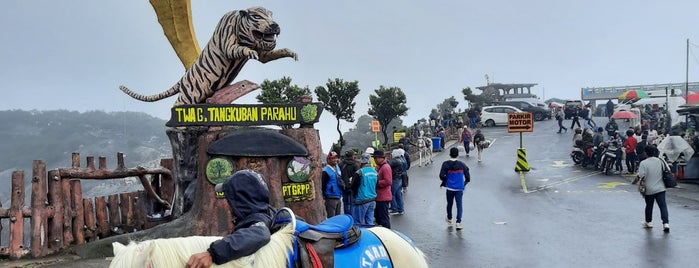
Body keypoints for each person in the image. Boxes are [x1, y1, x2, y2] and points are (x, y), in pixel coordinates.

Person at [186, 170, 275, 268]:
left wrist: (212, 254)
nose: (226, 203)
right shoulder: (268, 212)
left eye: (229, 198)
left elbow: (261, 233)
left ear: (240, 200)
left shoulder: (259, 219)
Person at [634, 145, 670, 231]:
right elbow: (667, 169)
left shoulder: (643, 163)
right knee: (663, 206)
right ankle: (666, 223)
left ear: (646, 153)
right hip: (661, 188)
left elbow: (641, 175)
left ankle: (648, 222)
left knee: (649, 205)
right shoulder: (660, 161)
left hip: (649, 189)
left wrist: (635, 181)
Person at [439, 148, 470, 230]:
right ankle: (458, 222)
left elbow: (441, 176)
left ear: (450, 154)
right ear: (458, 154)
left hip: (450, 187)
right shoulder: (462, 165)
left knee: (449, 203)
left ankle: (449, 219)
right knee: (459, 205)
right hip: (459, 188)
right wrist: (465, 183)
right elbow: (468, 176)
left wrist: (446, 180)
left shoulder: (445, 164)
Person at [351, 153, 378, 226]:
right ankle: (370, 235)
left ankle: (360, 236)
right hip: (372, 199)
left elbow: (353, 186)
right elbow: (377, 185)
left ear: (361, 161)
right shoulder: (375, 172)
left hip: (361, 200)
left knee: (357, 223)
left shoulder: (360, 172)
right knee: (369, 222)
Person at [372, 150, 392, 228]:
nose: (375, 160)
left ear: (380, 158)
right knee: (379, 216)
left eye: (376, 158)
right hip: (380, 196)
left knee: (384, 218)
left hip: (383, 197)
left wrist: (377, 183)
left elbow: (388, 181)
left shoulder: (385, 167)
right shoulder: (380, 167)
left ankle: (387, 232)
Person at [322, 151, 343, 218]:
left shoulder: (337, 168)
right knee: (331, 217)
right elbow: (323, 185)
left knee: (338, 217)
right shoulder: (325, 171)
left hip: (338, 195)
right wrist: (323, 197)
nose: (335, 160)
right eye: (332, 158)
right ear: (328, 160)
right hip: (330, 197)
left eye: (336, 158)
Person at [339, 150, 359, 216]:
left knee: (345, 203)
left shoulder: (341, 164)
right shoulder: (355, 164)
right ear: (352, 156)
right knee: (352, 204)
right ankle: (352, 219)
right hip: (352, 187)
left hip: (344, 186)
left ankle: (346, 217)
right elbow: (357, 176)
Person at [388, 149, 405, 215]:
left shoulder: (394, 161)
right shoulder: (401, 160)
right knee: (398, 194)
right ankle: (400, 209)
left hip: (394, 179)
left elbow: (387, 163)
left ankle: (394, 209)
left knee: (392, 194)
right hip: (399, 179)